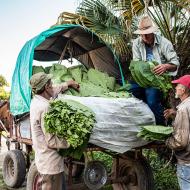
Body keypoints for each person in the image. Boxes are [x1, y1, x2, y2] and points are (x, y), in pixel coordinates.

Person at [29, 72, 80, 190]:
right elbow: (51, 141)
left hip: (45, 161)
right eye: (51, 84)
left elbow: (55, 90)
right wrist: (72, 142)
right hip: (51, 165)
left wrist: (69, 84)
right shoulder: (45, 107)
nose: (53, 86)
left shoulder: (36, 100)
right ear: (46, 87)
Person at [130, 15, 179, 125]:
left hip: (158, 80)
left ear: (153, 32)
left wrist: (165, 66)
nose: (144, 37)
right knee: (129, 91)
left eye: (147, 34)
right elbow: (136, 64)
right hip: (142, 79)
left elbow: (175, 64)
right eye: (142, 35)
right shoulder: (136, 43)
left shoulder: (164, 43)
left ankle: (162, 125)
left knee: (152, 101)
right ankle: (156, 112)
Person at [164, 75, 190, 190]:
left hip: (187, 162)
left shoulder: (183, 109)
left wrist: (167, 141)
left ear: (183, 90)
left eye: (178, 86)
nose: (175, 88)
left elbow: (181, 142)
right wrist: (175, 114)